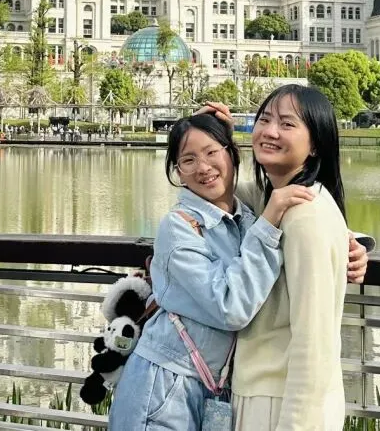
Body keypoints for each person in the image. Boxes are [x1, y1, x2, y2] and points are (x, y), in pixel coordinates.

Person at [108, 112, 315, 430]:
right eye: (188, 160)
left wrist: (349, 248)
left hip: (214, 387)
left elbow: (304, 223)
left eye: (211, 152)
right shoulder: (178, 227)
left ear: (232, 154)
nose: (203, 167)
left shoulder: (245, 217)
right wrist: (269, 222)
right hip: (162, 385)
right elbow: (231, 308)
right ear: (178, 171)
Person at [232, 85, 350, 430]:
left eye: (287, 124)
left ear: (315, 144)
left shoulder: (303, 216)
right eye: (264, 120)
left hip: (279, 403)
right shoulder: (278, 199)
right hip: (270, 394)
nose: (270, 131)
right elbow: (214, 194)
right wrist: (210, 136)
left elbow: (314, 342)